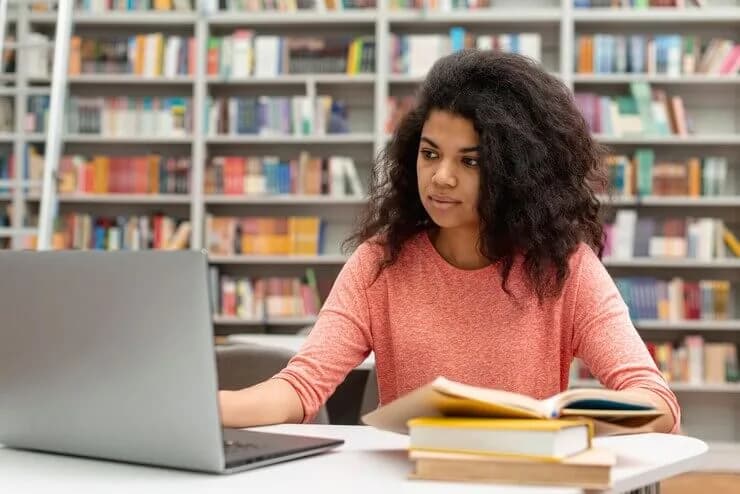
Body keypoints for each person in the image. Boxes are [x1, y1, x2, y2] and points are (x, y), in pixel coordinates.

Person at [219, 50, 680, 433]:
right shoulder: (380, 263)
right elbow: (301, 387)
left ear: (517, 173)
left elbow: (656, 400)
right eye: (430, 153)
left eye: (471, 162)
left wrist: (567, 420)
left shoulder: (565, 269)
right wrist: (211, 408)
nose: (441, 177)